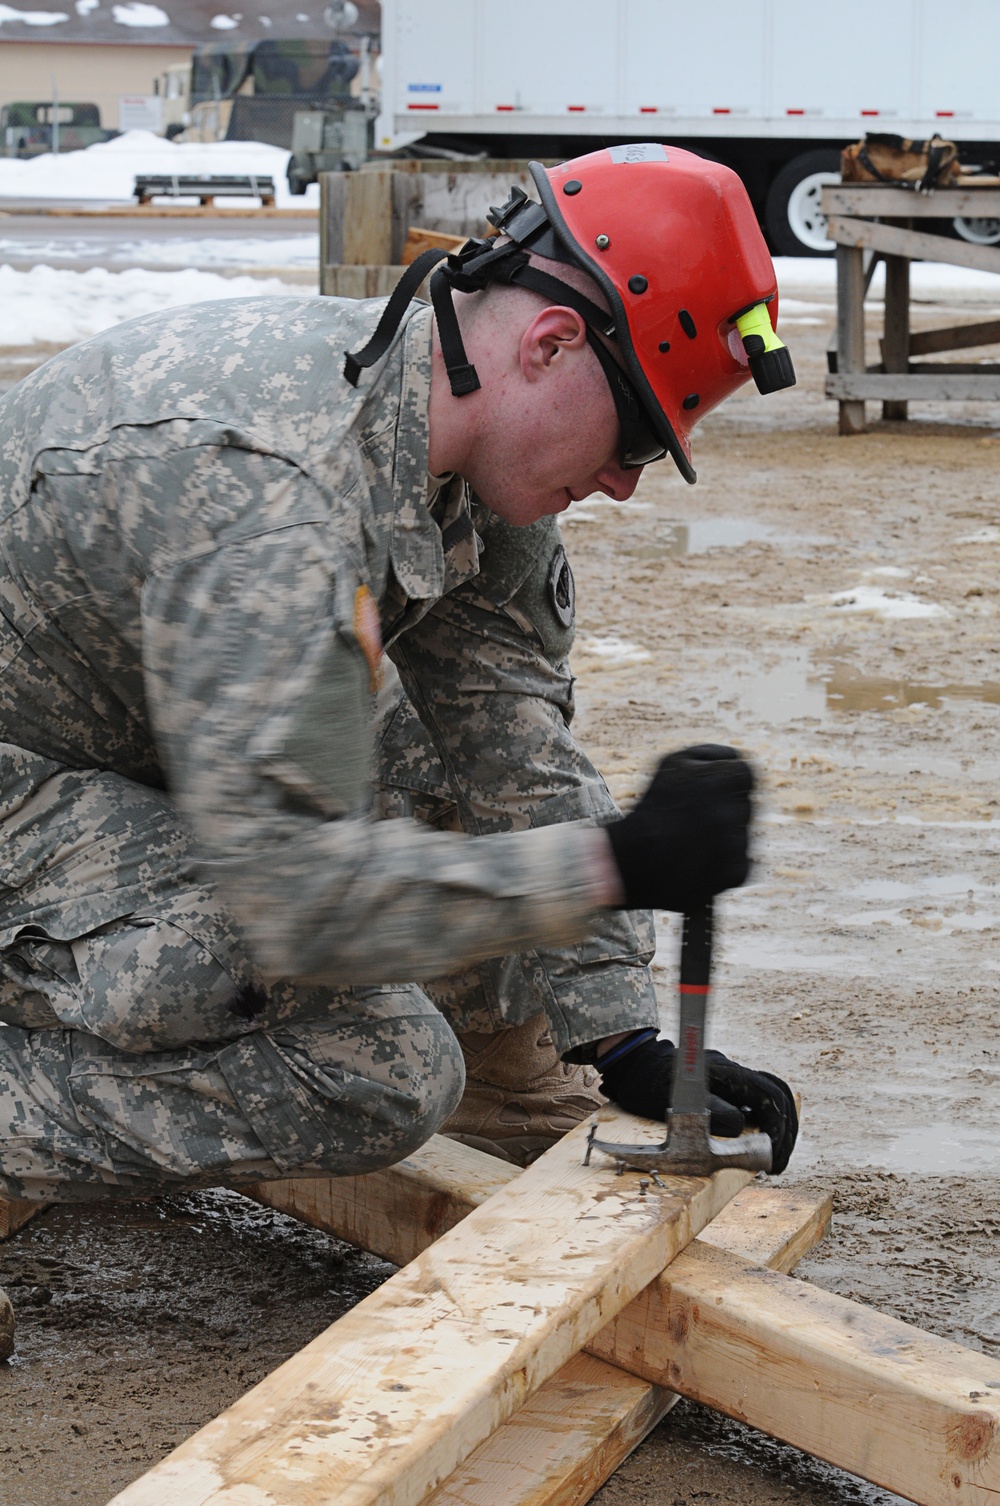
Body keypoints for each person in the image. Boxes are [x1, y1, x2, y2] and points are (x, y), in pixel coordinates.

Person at [0, 144, 798, 1209]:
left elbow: (512, 743)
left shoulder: (456, 446)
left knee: (431, 756)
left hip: (124, 730)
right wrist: (611, 866)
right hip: (23, 773)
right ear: (552, 344)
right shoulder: (269, 493)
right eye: (640, 437)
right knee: (371, 1068)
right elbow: (300, 904)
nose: (619, 485)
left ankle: (509, 1084)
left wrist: (622, 1034)